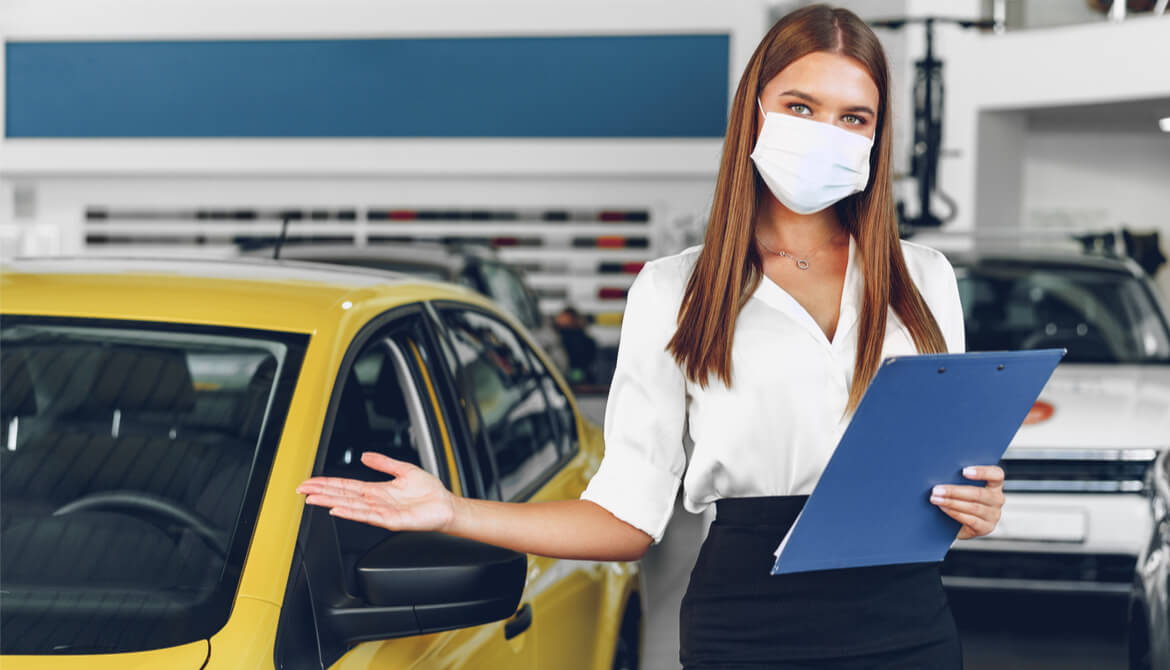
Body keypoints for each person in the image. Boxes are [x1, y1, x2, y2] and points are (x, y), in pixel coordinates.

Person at [297, 5, 1005, 668]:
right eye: (800, 107)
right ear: (754, 111)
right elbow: (628, 518)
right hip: (747, 625)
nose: (827, 133)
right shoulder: (674, 291)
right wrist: (454, 512)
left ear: (878, 139)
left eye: (854, 117)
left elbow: (944, 479)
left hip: (908, 626)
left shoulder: (926, 280)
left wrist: (978, 507)